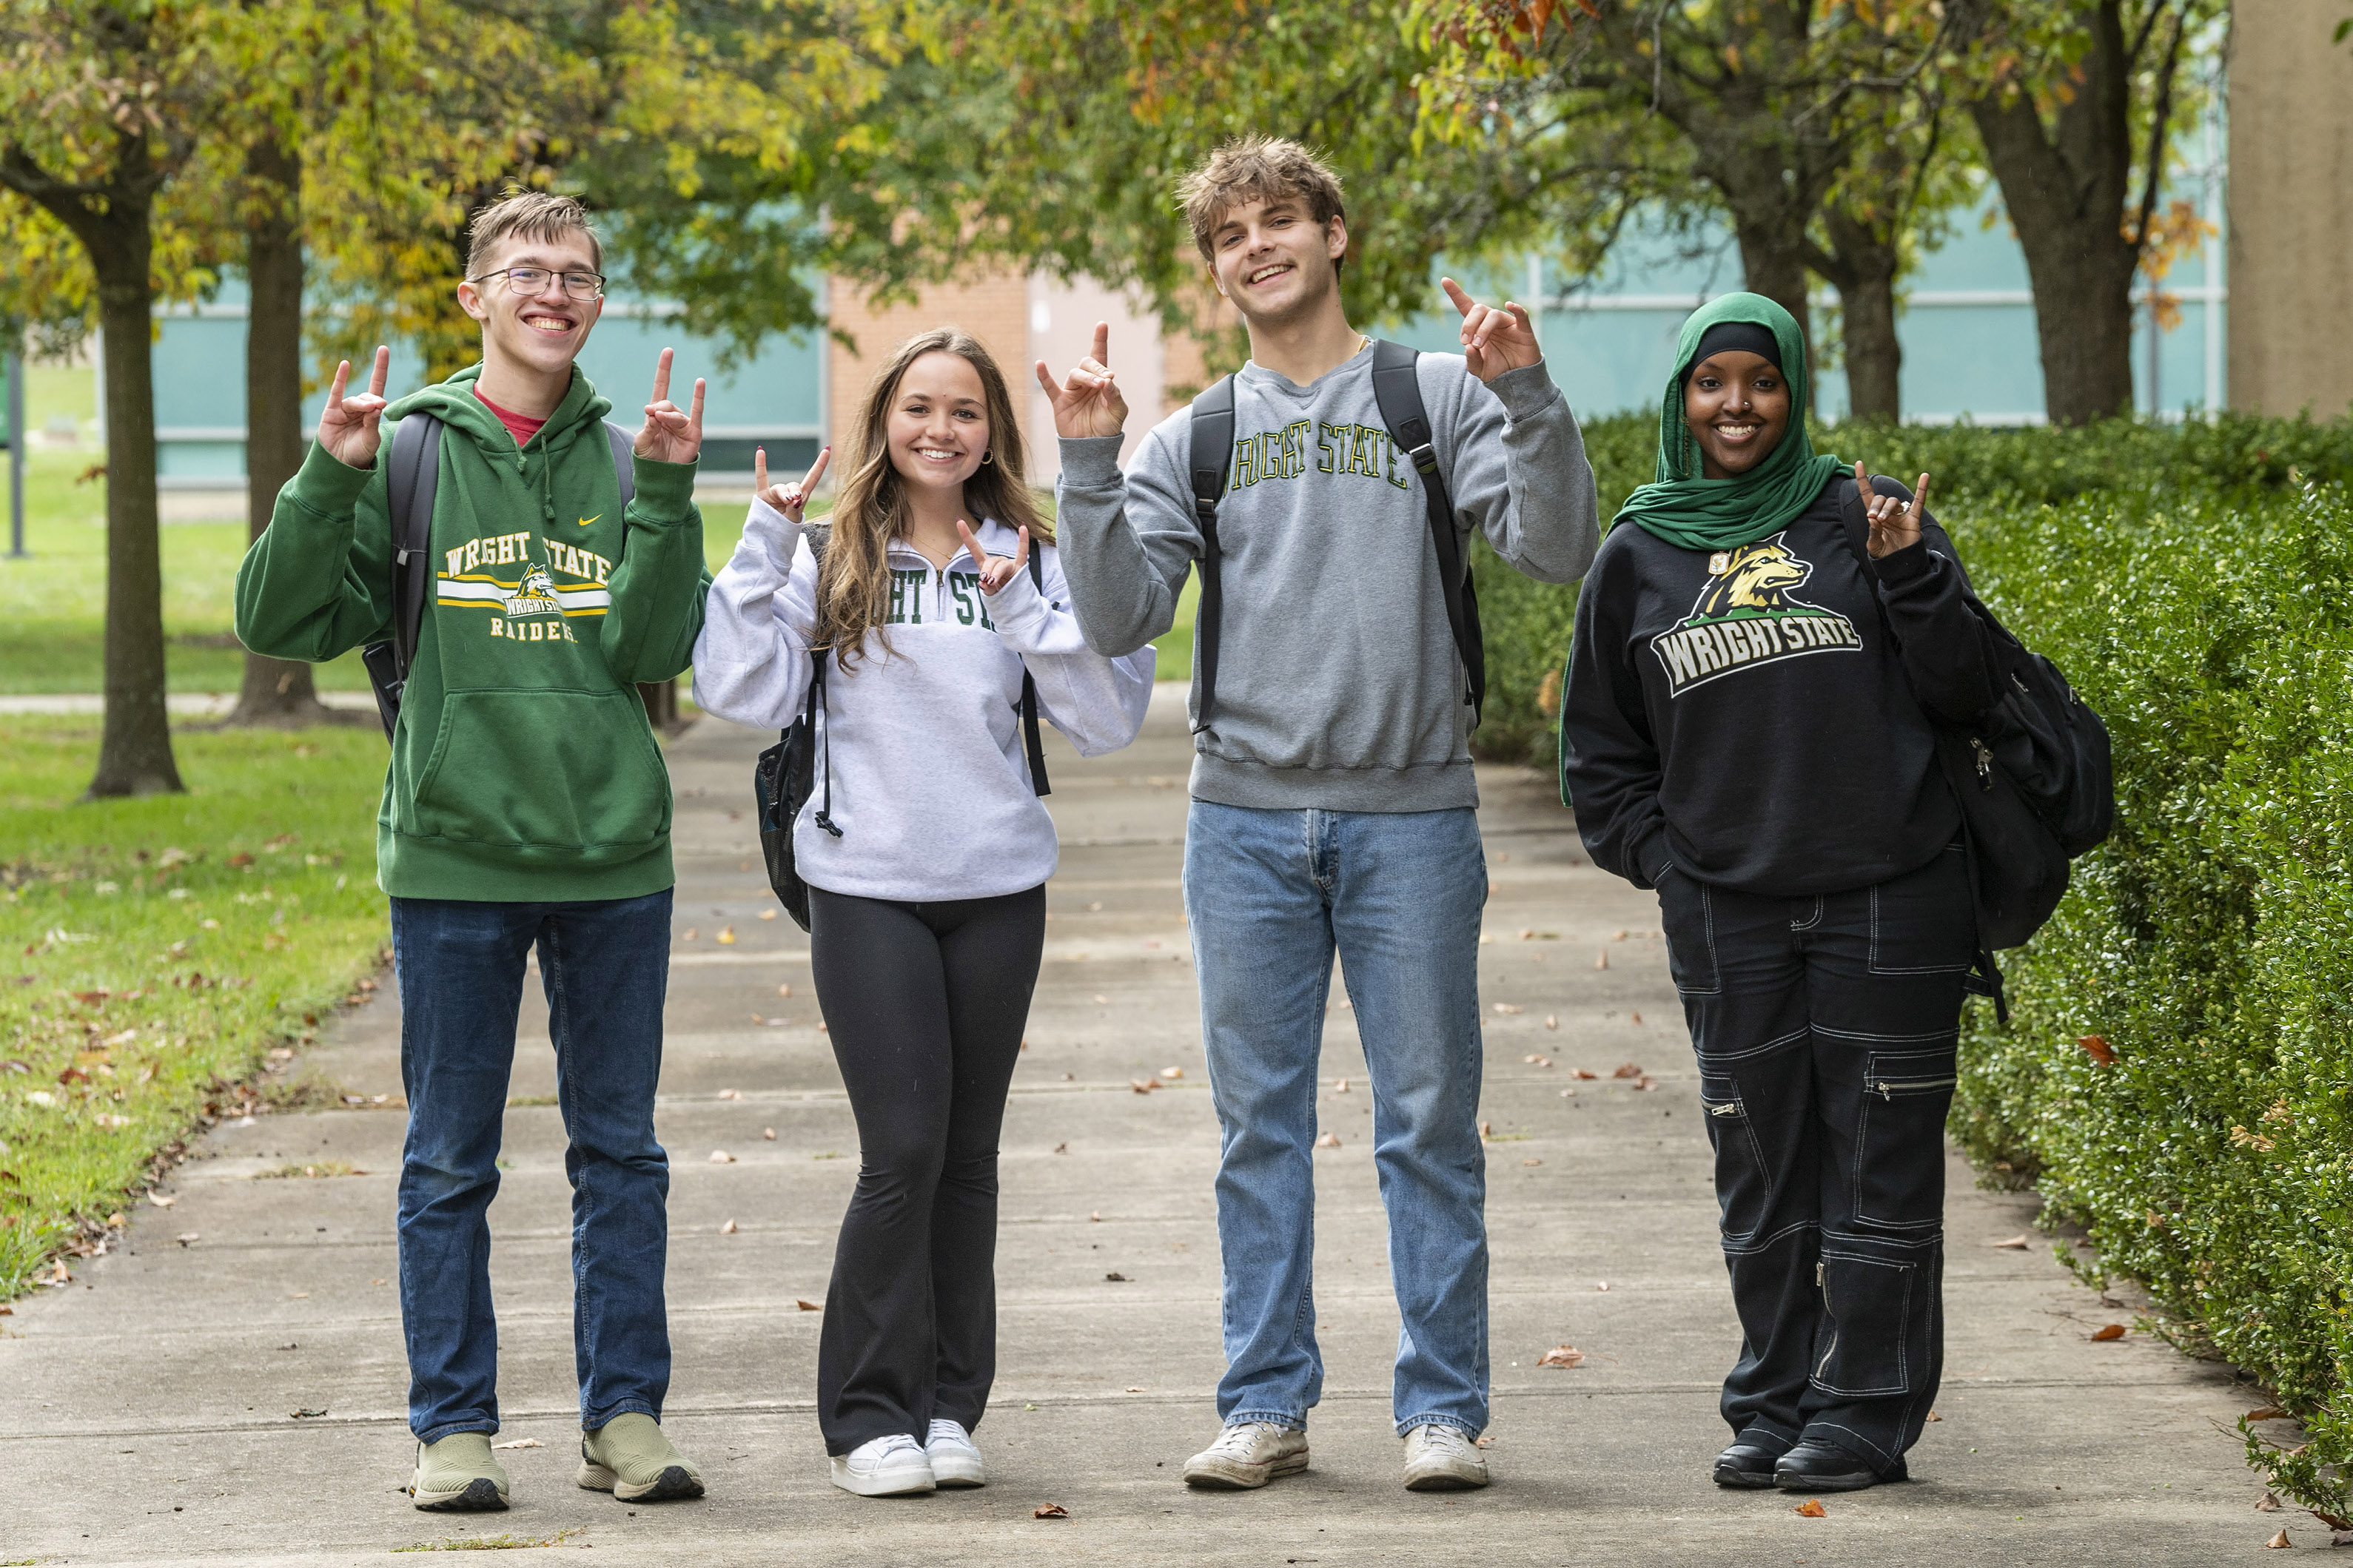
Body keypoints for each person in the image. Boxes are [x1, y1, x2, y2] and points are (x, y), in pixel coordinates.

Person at [1037, 136, 1600, 1493]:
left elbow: (1559, 547)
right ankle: (1267, 1406)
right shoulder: (1198, 435)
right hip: (1240, 825)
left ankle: (1443, 1411)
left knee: (1427, 1124)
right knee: (1258, 1131)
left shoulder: (1435, 395)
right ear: (1215, 268)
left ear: (1336, 236)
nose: (1257, 248)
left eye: (1280, 222)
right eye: (1231, 236)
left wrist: (1528, 395)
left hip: (1412, 820)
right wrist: (1090, 460)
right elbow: (1117, 619)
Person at [234, 192, 713, 1513]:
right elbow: (278, 620)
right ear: (475, 296)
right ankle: (455, 1427)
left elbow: (660, 651)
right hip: (452, 863)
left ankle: (625, 1417)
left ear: (598, 302)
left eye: (578, 274)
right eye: (526, 272)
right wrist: (326, 470)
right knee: (451, 1158)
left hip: (615, 860)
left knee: (620, 1154)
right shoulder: (403, 454)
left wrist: (670, 492)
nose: (552, 291)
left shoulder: (628, 461)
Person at [693, 327, 1154, 1498]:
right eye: (918, 408)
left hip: (998, 889)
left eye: (964, 411)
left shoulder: (1030, 550)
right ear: (883, 422)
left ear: (993, 428)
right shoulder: (832, 548)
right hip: (868, 889)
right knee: (902, 1151)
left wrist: (1024, 614)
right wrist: (758, 549)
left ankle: (951, 1406)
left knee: (969, 1160)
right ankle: (866, 1418)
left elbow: (1106, 717)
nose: (939, 429)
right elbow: (740, 690)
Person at [1559, 292, 2003, 1493]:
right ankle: (1774, 1401)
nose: (1737, 404)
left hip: (1891, 895)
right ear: (1681, 402)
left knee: (1879, 1168)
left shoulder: (1867, 519)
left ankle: (1864, 1415)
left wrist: (1912, 577)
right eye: (1712, 383)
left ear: (1794, 390)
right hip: (1728, 913)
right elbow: (1599, 757)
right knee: (1760, 1167)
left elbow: (1967, 692)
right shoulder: (1639, 553)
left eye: (1760, 380)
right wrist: (1672, 866)